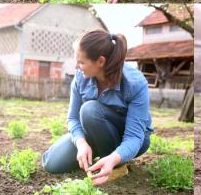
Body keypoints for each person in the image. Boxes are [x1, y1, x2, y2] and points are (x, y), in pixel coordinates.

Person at [42, 29, 153, 186]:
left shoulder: (134, 83)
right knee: (52, 163)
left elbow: (134, 137)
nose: (77, 67)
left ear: (100, 62)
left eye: (81, 62)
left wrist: (115, 158)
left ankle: (117, 165)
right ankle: (100, 155)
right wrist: (81, 143)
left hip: (131, 138)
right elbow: (73, 118)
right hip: (94, 131)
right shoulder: (81, 78)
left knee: (89, 110)